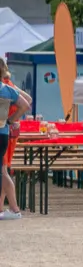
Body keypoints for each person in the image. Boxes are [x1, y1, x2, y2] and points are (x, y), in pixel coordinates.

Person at [0, 74, 28, 219]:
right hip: (4, 133)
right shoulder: (7, 88)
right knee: (2, 170)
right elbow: (26, 103)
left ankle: (14, 208)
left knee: (2, 171)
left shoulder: (7, 85)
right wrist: (11, 120)